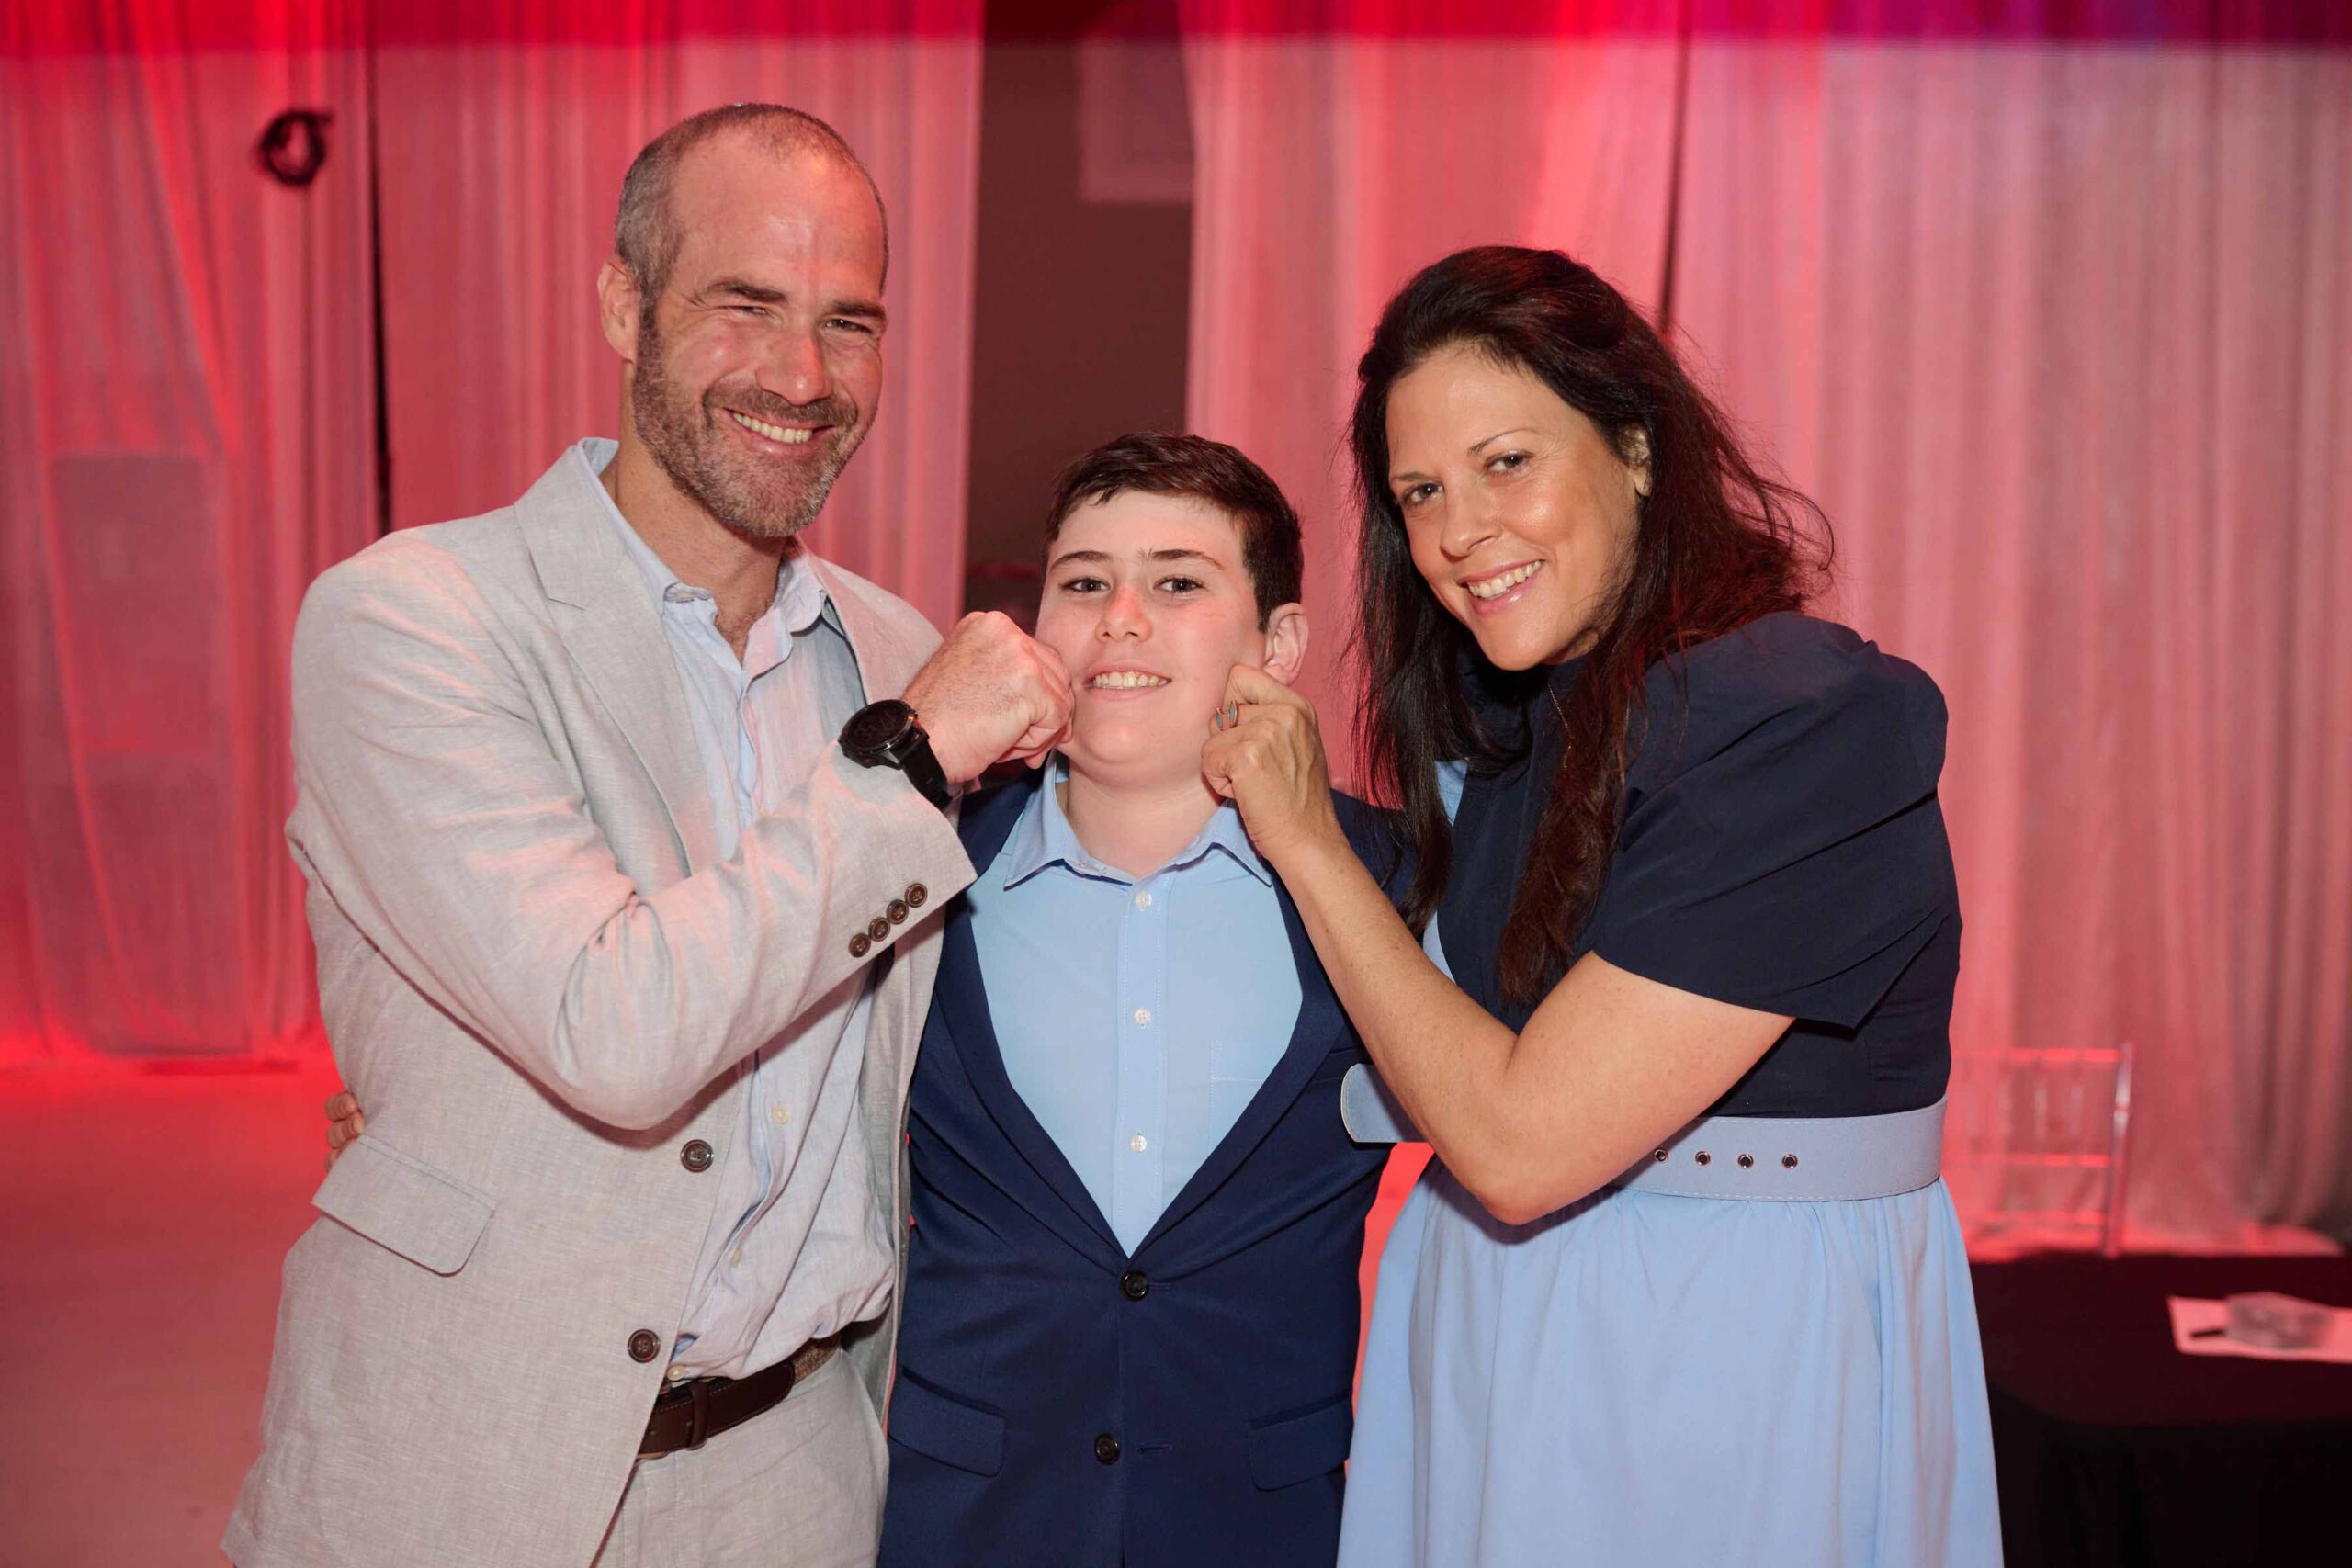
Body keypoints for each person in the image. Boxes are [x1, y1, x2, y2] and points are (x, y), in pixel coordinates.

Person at [228, 105, 1069, 1568]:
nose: (803, 376)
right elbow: (612, 1023)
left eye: (850, 322)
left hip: (798, 1464)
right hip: (467, 1460)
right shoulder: (414, 618)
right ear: (626, 306)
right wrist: (912, 757)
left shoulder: (892, 649)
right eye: (747, 304)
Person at [1202, 245, 2001, 1564]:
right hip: (1484, 1309)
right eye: (1420, 491)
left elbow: (1522, 1145)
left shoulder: (1802, 722)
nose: (1459, 531)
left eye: (1506, 462)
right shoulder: (1511, 726)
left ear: (1633, 446)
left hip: (1720, 1337)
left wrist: (1307, 845)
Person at [877, 434, 1396, 1565]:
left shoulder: (1398, 880)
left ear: (1278, 643)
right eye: (1082, 583)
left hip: (1265, 1523)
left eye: (1176, 583)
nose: (1119, 618)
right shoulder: (911, 869)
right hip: (961, 1521)